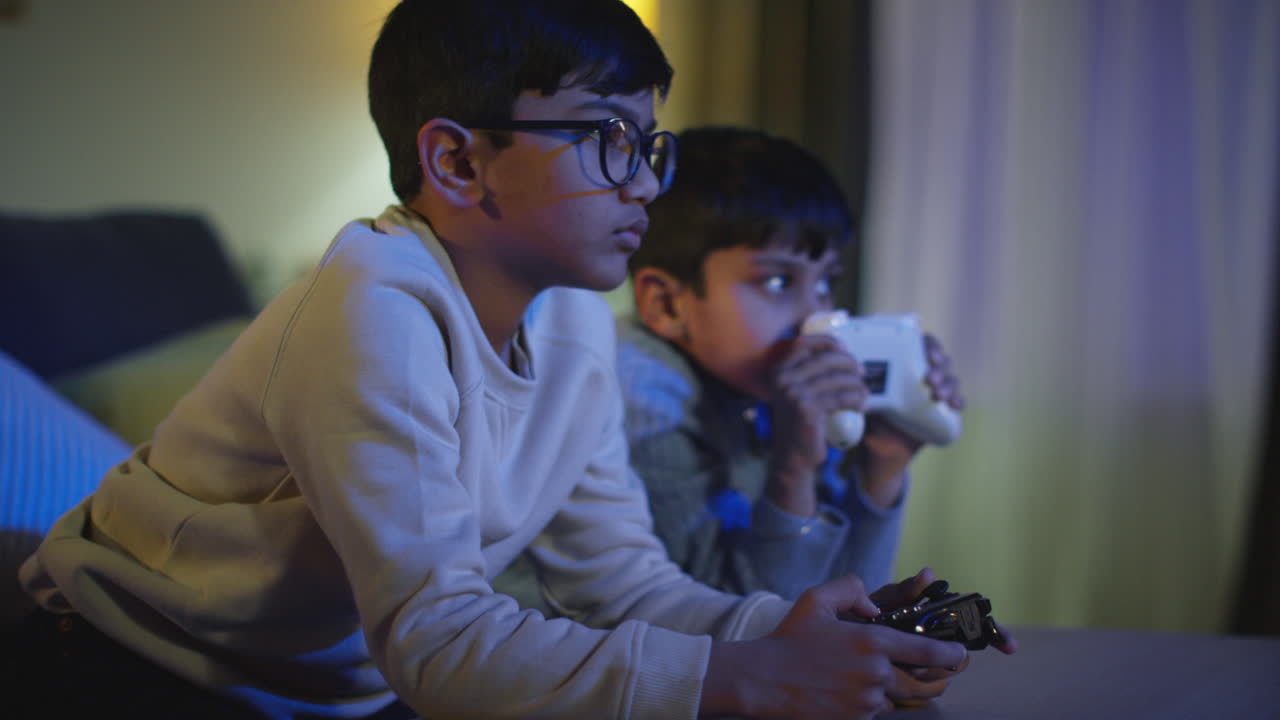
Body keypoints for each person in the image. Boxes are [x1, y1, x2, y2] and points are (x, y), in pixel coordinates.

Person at [10, 3, 986, 718]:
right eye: (608, 139)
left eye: (650, 146)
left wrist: (790, 630)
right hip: (134, 661)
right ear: (457, 163)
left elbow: (623, 584)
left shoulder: (577, 326)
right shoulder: (370, 307)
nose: (646, 185)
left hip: (331, 688)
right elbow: (438, 640)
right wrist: (744, 679)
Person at [619, 126, 964, 598]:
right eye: (778, 282)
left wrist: (884, 461)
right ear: (666, 304)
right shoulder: (640, 397)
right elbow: (723, 622)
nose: (816, 317)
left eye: (826, 283)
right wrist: (792, 470)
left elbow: (842, 600)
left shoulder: (764, 385)